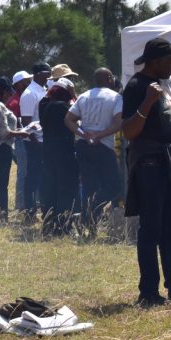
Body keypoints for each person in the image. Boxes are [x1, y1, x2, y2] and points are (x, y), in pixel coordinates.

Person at [122, 37, 171, 307]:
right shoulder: (136, 87)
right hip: (150, 165)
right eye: (169, 61)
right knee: (150, 229)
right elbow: (129, 131)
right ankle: (148, 292)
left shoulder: (163, 84)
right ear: (154, 61)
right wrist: (148, 102)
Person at [65, 68, 124, 228]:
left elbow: (69, 119)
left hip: (84, 145)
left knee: (89, 186)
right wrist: (100, 134)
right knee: (114, 186)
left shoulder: (84, 96)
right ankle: (90, 213)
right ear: (110, 78)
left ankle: (87, 222)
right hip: (103, 145)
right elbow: (119, 123)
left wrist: (83, 134)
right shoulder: (116, 97)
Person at [0, 78, 29, 222]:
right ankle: (1, 215)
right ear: (3, 91)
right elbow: (4, 133)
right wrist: (24, 132)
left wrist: (18, 130)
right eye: (8, 91)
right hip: (0, 147)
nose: (10, 95)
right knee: (2, 184)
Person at [39, 78, 79, 236]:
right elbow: (76, 114)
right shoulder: (63, 107)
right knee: (66, 189)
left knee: (50, 187)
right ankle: (64, 225)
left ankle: (49, 223)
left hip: (48, 152)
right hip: (65, 153)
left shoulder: (45, 106)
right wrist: (74, 94)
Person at [19, 62, 52, 218]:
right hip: (35, 142)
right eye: (47, 73)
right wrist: (34, 140)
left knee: (42, 176)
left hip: (44, 141)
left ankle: (40, 207)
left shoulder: (43, 90)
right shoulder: (29, 93)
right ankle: (29, 210)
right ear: (38, 74)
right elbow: (26, 121)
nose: (49, 76)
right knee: (32, 176)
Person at [8, 70, 33, 214]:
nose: (29, 83)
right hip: (20, 139)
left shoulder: (21, 98)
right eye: (26, 81)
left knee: (26, 171)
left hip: (23, 138)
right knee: (23, 172)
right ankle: (21, 204)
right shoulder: (15, 101)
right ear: (18, 84)